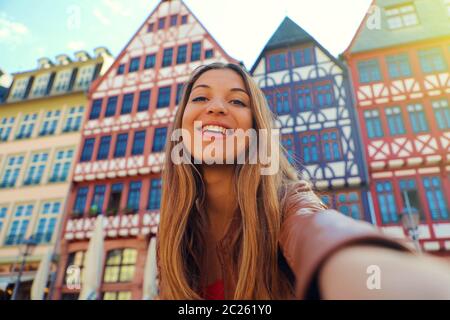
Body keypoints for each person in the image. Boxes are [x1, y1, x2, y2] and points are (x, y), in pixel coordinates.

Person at [156, 62, 450, 300]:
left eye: (237, 100)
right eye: (200, 97)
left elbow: (321, 233)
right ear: (181, 123)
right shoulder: (175, 231)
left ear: (257, 129)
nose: (217, 107)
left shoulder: (287, 204)